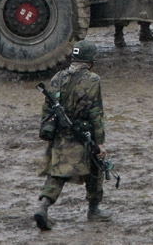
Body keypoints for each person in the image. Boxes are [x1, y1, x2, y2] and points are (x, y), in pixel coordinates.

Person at [34, 40, 112, 231]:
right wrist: (100, 143)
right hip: (83, 134)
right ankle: (94, 209)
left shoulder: (57, 77)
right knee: (96, 167)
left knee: (58, 173)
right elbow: (96, 113)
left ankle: (43, 206)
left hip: (61, 133)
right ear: (90, 60)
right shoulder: (92, 80)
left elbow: (47, 109)